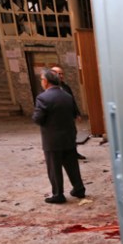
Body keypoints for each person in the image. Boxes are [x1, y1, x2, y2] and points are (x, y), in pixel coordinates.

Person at [32, 68, 86, 204]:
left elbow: (37, 118)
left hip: (52, 139)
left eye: (41, 80)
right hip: (68, 136)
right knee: (72, 165)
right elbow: (74, 113)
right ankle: (79, 189)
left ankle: (58, 194)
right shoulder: (66, 95)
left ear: (46, 81)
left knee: (54, 168)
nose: (41, 82)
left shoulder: (43, 97)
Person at [51, 65, 86, 160]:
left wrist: (77, 113)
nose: (61, 76)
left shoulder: (66, 87)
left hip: (69, 117)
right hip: (56, 118)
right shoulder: (49, 89)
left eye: (62, 74)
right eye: (58, 74)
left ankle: (73, 152)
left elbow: (72, 101)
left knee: (72, 134)